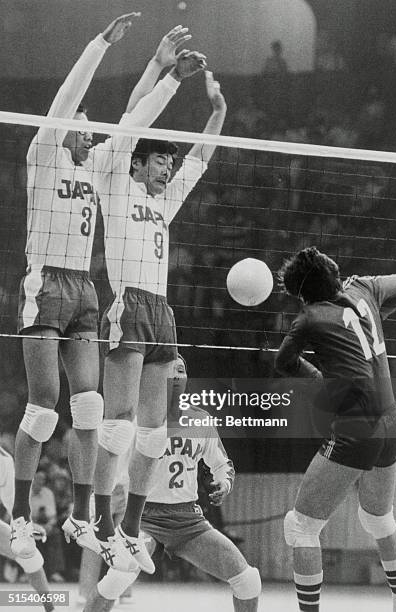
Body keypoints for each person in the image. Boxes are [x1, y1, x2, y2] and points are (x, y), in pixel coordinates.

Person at [12, 12, 197, 573]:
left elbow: (132, 122)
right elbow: (68, 101)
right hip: (46, 281)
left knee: (90, 406)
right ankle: (20, 517)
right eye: (81, 124)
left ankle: (83, 518)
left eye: (91, 127)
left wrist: (165, 76)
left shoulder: (98, 169)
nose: (88, 130)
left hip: (85, 291)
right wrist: (98, 45)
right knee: (44, 408)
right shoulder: (43, 155)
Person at [92, 67, 227, 575]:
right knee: (120, 421)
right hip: (129, 304)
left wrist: (218, 113)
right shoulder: (117, 187)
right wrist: (165, 73)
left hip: (162, 313)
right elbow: (129, 122)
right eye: (159, 162)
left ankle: (129, 529)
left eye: (169, 163)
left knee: (154, 431)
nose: (168, 170)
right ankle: (99, 523)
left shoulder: (164, 201)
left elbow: (201, 160)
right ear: (138, 163)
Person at [275, 246, 396, 612]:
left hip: (358, 427)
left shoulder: (308, 318)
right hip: (391, 420)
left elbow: (284, 361)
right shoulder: (365, 289)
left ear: (303, 295)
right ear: (334, 274)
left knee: (301, 526)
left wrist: (318, 376)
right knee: (377, 517)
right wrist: (374, 314)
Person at [83, 356, 261, 612]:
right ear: (152, 377)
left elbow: (223, 465)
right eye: (169, 368)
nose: (176, 374)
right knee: (117, 578)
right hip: (142, 517)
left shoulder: (200, 419)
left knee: (248, 581)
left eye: (181, 369)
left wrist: (223, 483)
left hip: (187, 518)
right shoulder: (133, 420)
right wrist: (93, 509)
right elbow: (107, 470)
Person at [0, 444, 55, 612]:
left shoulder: (4, 461)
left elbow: (12, 503)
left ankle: (51, 609)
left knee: (29, 555)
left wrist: (27, 525)